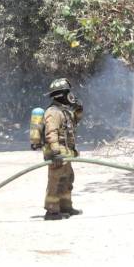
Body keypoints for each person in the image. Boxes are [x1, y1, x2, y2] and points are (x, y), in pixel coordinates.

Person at [42, 78, 83, 220]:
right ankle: (51, 211)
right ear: (61, 95)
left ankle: (66, 207)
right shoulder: (53, 112)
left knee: (67, 180)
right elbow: (51, 132)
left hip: (66, 153)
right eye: (68, 92)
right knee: (55, 182)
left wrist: (78, 108)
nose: (70, 95)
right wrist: (55, 152)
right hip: (57, 153)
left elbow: (75, 122)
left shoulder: (64, 111)